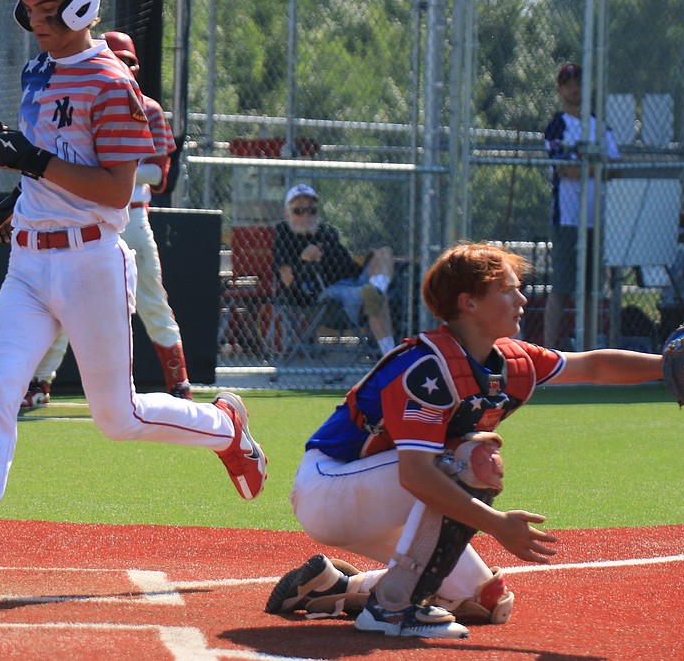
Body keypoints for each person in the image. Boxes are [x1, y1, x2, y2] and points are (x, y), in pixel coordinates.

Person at [0, 0, 266, 584]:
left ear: (83, 6)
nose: (36, 20)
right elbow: (53, 164)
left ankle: (225, 428)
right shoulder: (38, 71)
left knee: (118, 419)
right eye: (29, 9)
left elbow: (115, 193)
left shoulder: (111, 83)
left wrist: (34, 166)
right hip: (27, 261)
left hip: (91, 263)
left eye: (48, 8)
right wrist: (23, 199)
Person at [263, 242, 663, 639]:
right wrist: (497, 525)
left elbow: (592, 366)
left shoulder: (510, 359)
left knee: (485, 601)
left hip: (382, 495)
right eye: (508, 289)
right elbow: (417, 475)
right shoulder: (426, 367)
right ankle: (392, 609)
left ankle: (335, 587)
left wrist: (669, 365)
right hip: (330, 487)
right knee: (473, 459)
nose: (521, 297)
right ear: (468, 303)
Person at [21, 30, 191, 410]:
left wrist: (110, 166)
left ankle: (179, 384)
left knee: (150, 301)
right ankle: (39, 384)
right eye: (117, 59)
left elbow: (160, 177)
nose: (123, 66)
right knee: (63, 302)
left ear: (136, 66)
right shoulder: (84, 97)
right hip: (84, 218)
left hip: (130, 216)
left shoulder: (148, 107)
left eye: (128, 61)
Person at [542, 62, 621, 350]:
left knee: (591, 289)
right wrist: (596, 165)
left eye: (579, 83)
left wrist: (587, 164)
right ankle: (548, 351)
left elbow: (616, 167)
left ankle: (588, 350)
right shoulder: (557, 126)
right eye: (568, 83)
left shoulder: (600, 125)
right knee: (562, 287)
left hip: (596, 219)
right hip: (567, 219)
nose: (574, 89)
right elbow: (565, 170)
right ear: (560, 90)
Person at [272, 183, 397, 356]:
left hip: (355, 280)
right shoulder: (283, 235)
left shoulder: (327, 232)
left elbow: (348, 265)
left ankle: (377, 288)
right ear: (287, 214)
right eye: (299, 211)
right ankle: (389, 355)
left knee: (384, 252)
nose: (306, 215)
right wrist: (303, 260)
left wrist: (370, 259)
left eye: (311, 210)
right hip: (330, 293)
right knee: (374, 299)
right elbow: (287, 279)